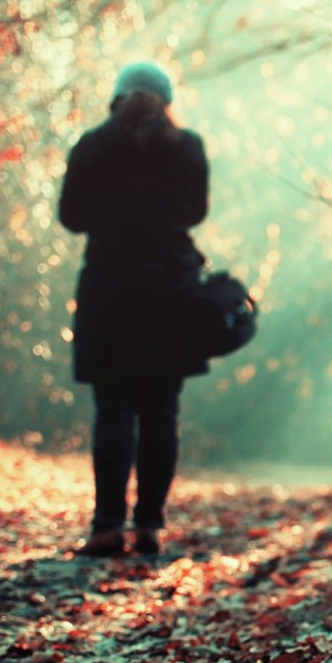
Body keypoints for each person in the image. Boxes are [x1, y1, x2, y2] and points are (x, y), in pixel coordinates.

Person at [57, 60, 211, 556]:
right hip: (170, 292)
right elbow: (196, 212)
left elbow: (71, 217)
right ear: (167, 101)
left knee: (114, 411)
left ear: (116, 98)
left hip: (110, 290)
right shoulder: (187, 148)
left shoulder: (93, 147)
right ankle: (148, 526)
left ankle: (106, 526)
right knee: (161, 411)